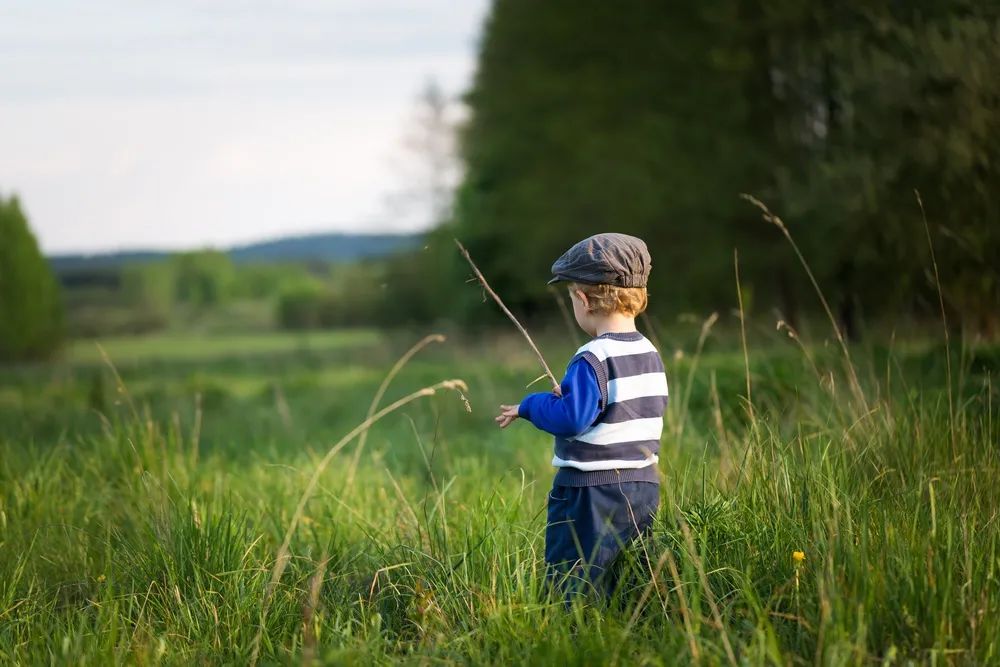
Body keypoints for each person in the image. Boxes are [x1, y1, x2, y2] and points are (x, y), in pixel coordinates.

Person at [495, 233, 668, 601]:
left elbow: (572, 419)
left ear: (584, 300)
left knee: (574, 577)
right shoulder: (649, 352)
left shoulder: (593, 355)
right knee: (628, 574)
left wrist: (531, 405)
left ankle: (574, 627)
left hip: (590, 491)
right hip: (642, 485)